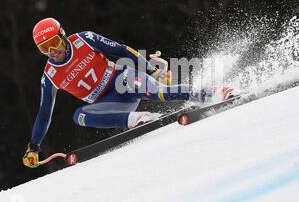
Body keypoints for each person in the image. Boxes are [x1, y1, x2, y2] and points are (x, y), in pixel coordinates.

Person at [23, 18, 232, 168]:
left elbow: (121, 50)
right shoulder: (50, 75)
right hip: (109, 103)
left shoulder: (84, 39)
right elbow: (44, 113)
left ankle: (211, 93)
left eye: (54, 43)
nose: (52, 51)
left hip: (123, 81)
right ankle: (138, 118)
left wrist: (150, 69)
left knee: (159, 92)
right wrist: (33, 147)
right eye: (44, 49)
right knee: (79, 116)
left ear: (63, 35)